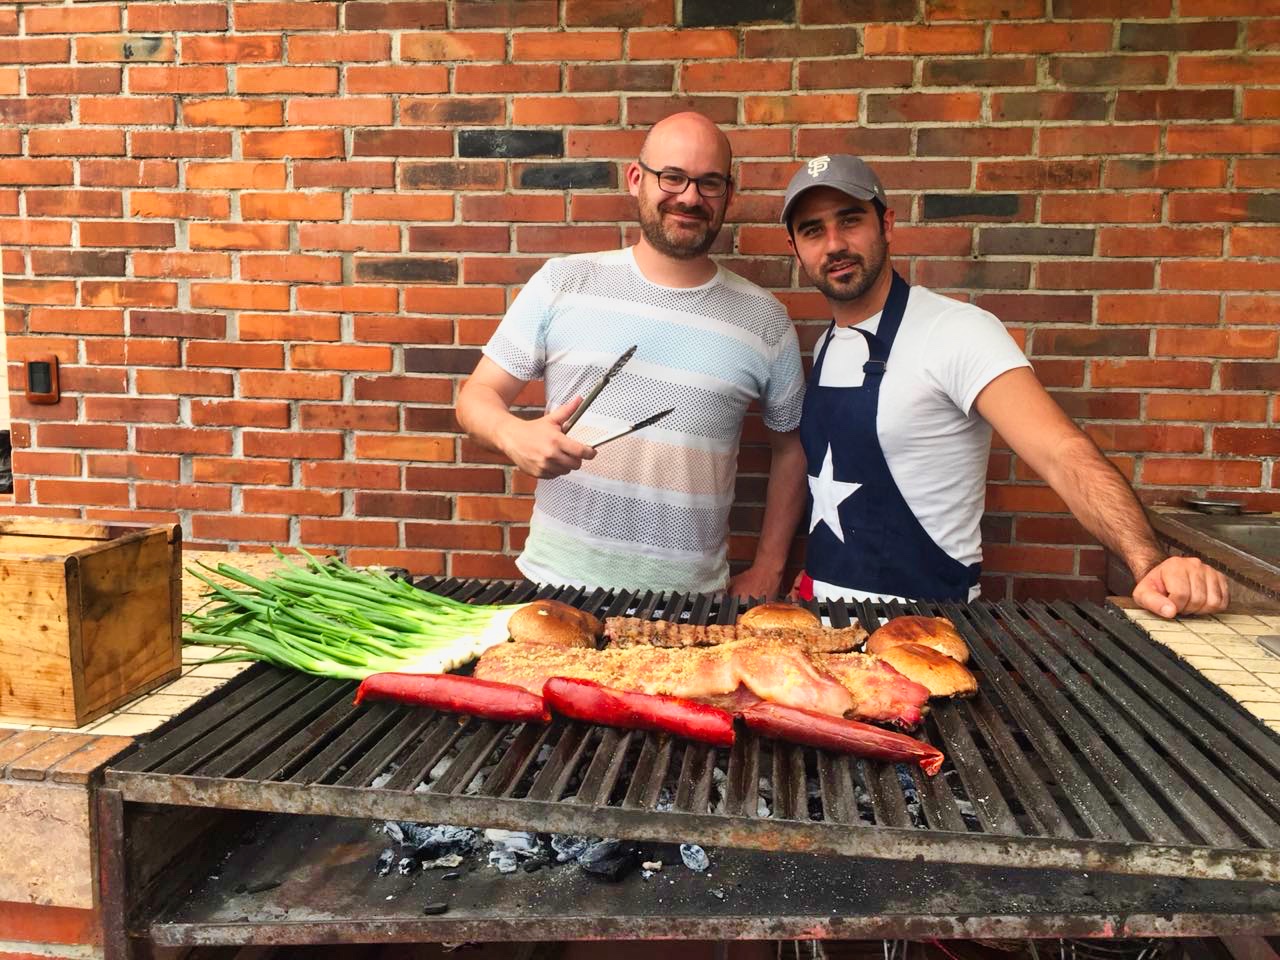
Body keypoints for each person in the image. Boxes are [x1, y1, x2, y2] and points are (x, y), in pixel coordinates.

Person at [781, 153, 1228, 618]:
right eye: (813, 230)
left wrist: (1148, 562)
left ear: (886, 224)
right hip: (822, 628)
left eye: (850, 220)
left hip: (926, 633)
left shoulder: (956, 331)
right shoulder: (827, 344)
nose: (834, 244)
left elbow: (1061, 452)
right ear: (795, 249)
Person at [457, 112, 807, 598]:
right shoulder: (564, 283)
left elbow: (790, 448)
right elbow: (476, 396)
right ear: (637, 178)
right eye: (673, 177)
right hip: (557, 588)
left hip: (691, 602)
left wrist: (770, 566)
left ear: (729, 193)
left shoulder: (764, 319)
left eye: (709, 183)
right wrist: (511, 433)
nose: (689, 197)